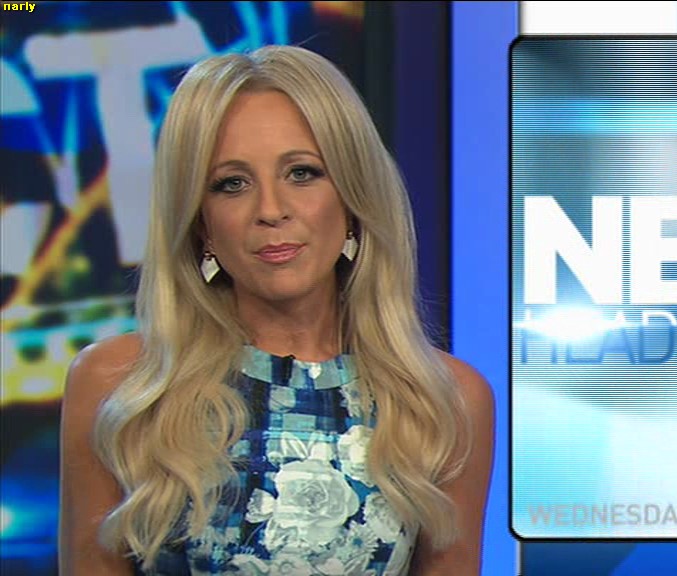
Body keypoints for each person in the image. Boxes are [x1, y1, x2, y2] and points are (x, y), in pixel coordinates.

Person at [59, 45, 494, 575]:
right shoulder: (119, 385)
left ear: (353, 199)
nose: (270, 210)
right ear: (201, 223)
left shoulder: (443, 402)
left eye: (302, 173)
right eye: (232, 184)